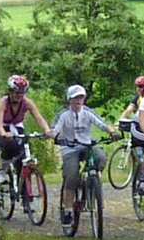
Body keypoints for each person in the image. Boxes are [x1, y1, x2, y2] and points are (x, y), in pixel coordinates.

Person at [52, 84, 121, 226]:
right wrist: (58, 137)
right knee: (71, 175)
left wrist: (112, 132)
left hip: (87, 145)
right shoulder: (63, 115)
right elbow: (53, 130)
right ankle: (68, 210)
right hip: (70, 148)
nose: (78, 101)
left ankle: (90, 182)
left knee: (100, 157)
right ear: (69, 100)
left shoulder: (88, 112)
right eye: (75, 98)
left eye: (81, 97)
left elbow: (102, 124)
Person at [0, 74, 55, 175]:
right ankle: (3, 170)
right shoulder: (3, 102)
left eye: (22, 93)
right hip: (2, 128)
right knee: (10, 144)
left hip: (16, 127)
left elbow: (38, 118)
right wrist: (4, 133)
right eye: (17, 93)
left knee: (24, 149)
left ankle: (22, 178)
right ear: (11, 92)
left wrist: (47, 130)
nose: (19, 96)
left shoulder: (27, 102)